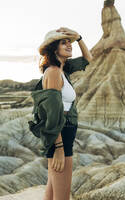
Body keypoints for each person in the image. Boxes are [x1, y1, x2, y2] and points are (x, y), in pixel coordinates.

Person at [34, 27, 92, 200]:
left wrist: (79, 37)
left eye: (69, 42)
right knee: (62, 196)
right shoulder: (53, 72)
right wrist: (59, 147)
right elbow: (51, 114)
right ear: (53, 48)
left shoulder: (63, 70)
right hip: (61, 133)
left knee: (52, 192)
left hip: (62, 133)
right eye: (63, 42)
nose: (69, 45)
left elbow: (89, 58)